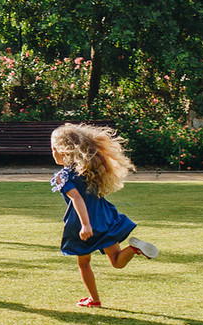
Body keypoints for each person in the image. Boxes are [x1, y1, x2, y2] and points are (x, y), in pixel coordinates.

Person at [49, 123, 157, 307]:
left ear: (62, 150)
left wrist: (85, 225)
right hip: (105, 218)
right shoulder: (90, 169)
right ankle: (134, 249)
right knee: (116, 261)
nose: (52, 152)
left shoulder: (63, 176)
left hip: (83, 224)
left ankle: (94, 300)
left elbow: (77, 199)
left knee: (84, 263)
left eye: (53, 148)